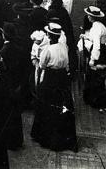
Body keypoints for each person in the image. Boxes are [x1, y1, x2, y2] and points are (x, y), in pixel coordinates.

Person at [31, 23, 77, 151]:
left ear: (49, 36)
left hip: (50, 78)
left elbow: (42, 65)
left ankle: (46, 136)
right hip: (62, 78)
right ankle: (63, 136)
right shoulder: (64, 47)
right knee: (62, 103)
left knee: (46, 104)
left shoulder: (48, 50)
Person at [82, 6, 106, 111]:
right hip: (104, 52)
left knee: (96, 77)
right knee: (101, 76)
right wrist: (87, 37)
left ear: (91, 17)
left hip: (99, 54)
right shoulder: (101, 26)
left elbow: (96, 45)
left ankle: (97, 102)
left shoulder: (95, 27)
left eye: (89, 15)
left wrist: (93, 59)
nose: (88, 17)